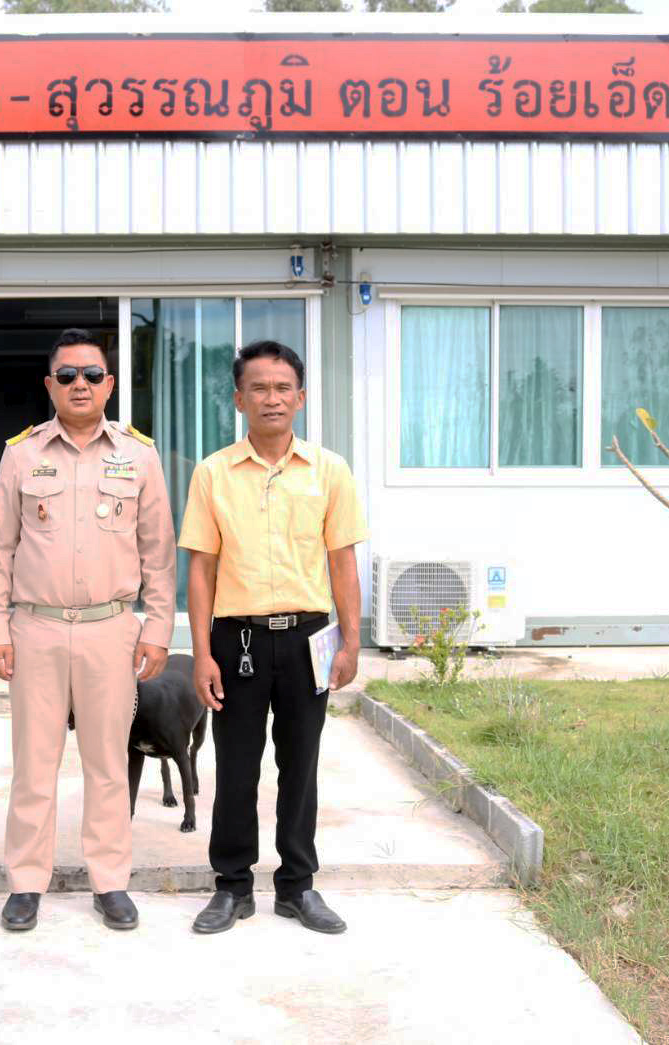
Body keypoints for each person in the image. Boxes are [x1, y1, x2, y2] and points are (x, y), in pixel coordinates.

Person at [0, 328, 176, 932]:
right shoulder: (22, 454)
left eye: (91, 375)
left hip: (109, 629)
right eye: (66, 376)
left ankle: (110, 882)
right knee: (33, 766)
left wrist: (158, 629)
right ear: (50, 385)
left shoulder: (139, 456)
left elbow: (159, 552)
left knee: (107, 764)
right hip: (35, 629)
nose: (80, 385)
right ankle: (26, 883)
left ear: (109, 384)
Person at [178, 340, 367, 936]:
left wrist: (351, 641)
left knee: (300, 763)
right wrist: (202, 652)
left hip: (309, 637)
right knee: (236, 764)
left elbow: (342, 561)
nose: (272, 398)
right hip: (237, 640)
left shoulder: (329, 471)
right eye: (258, 388)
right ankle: (232, 887)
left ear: (300, 398)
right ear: (239, 399)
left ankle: (297, 887)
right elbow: (202, 568)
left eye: (283, 388)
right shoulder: (213, 473)